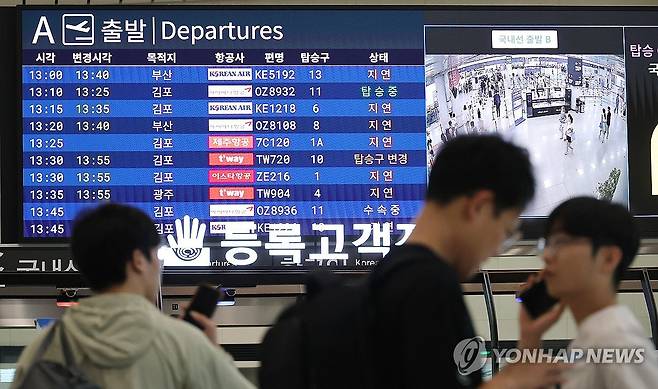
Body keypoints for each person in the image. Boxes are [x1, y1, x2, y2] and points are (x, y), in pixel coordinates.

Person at [366, 135, 568, 389]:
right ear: (479, 207)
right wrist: (512, 383)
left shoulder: (396, 270)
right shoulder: (429, 284)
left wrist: (527, 341)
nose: (496, 249)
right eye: (505, 232)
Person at [11, 204, 255, 389]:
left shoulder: (44, 346)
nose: (158, 267)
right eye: (156, 256)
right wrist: (212, 352)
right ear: (139, 261)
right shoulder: (183, 343)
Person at [527, 197, 658, 388]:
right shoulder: (592, 339)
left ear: (608, 258)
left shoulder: (618, 343)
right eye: (547, 244)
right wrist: (530, 336)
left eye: (561, 242)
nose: (546, 256)